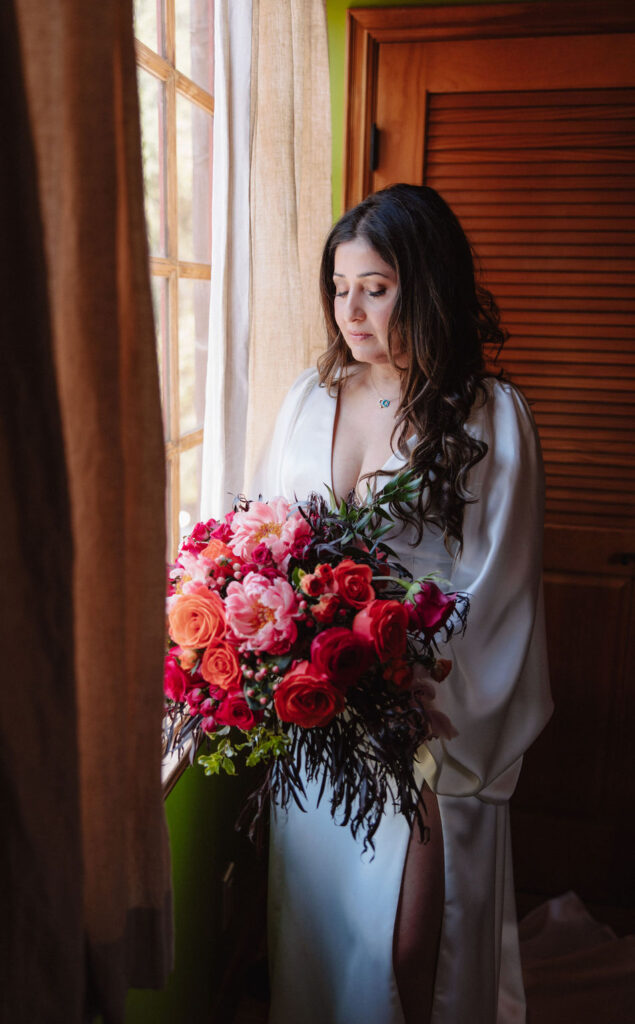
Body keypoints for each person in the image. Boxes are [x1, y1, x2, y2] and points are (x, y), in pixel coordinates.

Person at [254, 184, 553, 1024]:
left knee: (410, 943)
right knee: (324, 933)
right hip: (318, 711)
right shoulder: (307, 399)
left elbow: (500, 586)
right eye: (339, 287)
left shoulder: (491, 415)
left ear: (423, 286)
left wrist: (414, 690)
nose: (351, 311)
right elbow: (272, 542)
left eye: (375, 288)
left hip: (428, 717)